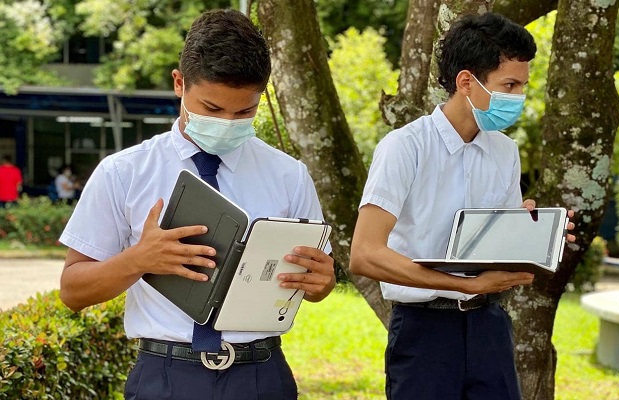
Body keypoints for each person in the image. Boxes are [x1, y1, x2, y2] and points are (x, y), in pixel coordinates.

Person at [59, 9, 335, 400]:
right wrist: (139, 259)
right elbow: (72, 290)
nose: (227, 122)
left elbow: (315, 283)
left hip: (261, 375)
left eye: (244, 112)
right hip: (166, 375)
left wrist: (322, 282)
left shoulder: (288, 175)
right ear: (179, 83)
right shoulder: (124, 173)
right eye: (211, 108)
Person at [349, 12, 575, 400]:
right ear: (466, 82)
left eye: (523, 85)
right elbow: (364, 255)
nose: (519, 97)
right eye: (509, 85)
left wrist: (533, 235)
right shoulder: (405, 147)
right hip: (424, 333)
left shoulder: (505, 151)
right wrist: (463, 285)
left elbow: (494, 254)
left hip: (490, 327)